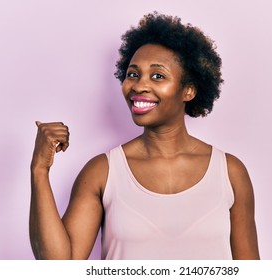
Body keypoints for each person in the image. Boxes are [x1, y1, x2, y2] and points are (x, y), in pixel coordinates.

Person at [29, 12, 260, 260]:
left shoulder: (230, 173)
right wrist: (39, 169)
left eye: (158, 76)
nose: (139, 86)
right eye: (133, 74)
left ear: (189, 90)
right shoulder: (103, 172)